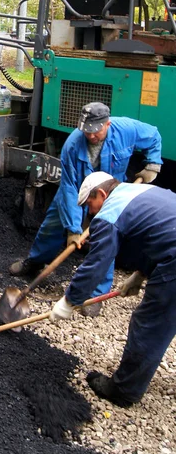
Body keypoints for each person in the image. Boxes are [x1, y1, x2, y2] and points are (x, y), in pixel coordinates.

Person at [9, 102, 162, 317]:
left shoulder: (127, 129)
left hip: (109, 194)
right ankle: (35, 262)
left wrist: (153, 164)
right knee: (53, 224)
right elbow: (69, 187)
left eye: (95, 131)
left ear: (107, 124)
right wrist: (73, 229)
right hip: (78, 190)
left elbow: (154, 135)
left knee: (105, 238)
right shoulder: (73, 144)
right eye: (86, 131)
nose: (90, 136)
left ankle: (95, 294)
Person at [49, 171, 176, 408]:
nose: (91, 212)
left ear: (102, 194)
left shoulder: (109, 214)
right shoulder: (137, 191)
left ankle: (124, 391)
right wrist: (141, 274)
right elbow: (158, 232)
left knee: (149, 323)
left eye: (90, 204)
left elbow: (96, 264)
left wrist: (69, 301)